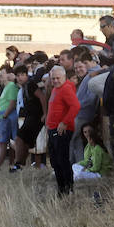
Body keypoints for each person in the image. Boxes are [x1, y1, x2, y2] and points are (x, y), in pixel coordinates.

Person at [46, 65, 80, 195]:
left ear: (64, 77)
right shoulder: (56, 89)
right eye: (53, 78)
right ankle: (62, 188)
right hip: (53, 128)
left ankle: (67, 188)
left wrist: (65, 122)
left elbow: (76, 106)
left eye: (57, 78)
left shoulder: (65, 88)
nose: (55, 81)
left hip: (61, 130)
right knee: (55, 161)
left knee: (62, 160)